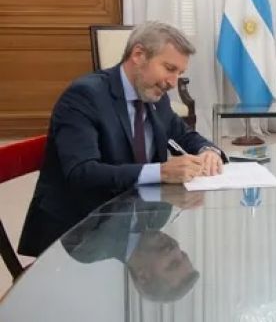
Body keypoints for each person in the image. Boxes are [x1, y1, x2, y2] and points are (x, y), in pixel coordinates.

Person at [19, 21, 224, 257]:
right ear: (138, 55)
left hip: (135, 220)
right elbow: (82, 172)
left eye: (179, 73)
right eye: (169, 68)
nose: (173, 82)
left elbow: (184, 135)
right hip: (80, 233)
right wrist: (161, 172)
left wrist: (208, 151)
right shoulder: (85, 95)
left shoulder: (157, 97)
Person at [61, 199, 200, 302]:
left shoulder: (88, 249)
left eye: (172, 264)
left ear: (143, 276)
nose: (175, 249)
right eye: (182, 254)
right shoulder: (160, 215)